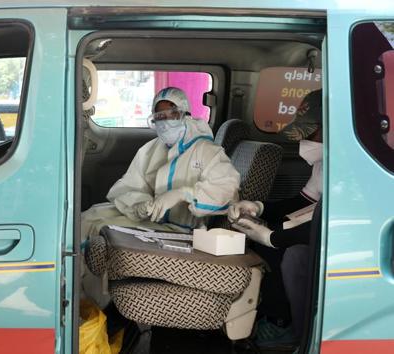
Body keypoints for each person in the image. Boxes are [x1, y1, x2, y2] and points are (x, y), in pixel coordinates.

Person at [229, 89, 323, 346]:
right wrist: (259, 208)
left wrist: (274, 237)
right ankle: (273, 317)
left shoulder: (351, 166)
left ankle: (297, 334)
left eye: (314, 133)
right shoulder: (322, 163)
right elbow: (304, 202)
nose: (306, 140)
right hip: (315, 225)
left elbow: (328, 224)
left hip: (338, 240)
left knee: (293, 255)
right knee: (264, 240)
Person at [106, 86, 240, 229]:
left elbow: (227, 190)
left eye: (172, 114)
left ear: (185, 115)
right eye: (159, 116)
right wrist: (140, 205)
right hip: (152, 224)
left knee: (101, 227)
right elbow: (129, 185)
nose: (165, 123)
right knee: (91, 218)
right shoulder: (151, 149)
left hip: (184, 232)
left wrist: (184, 194)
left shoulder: (206, 150)